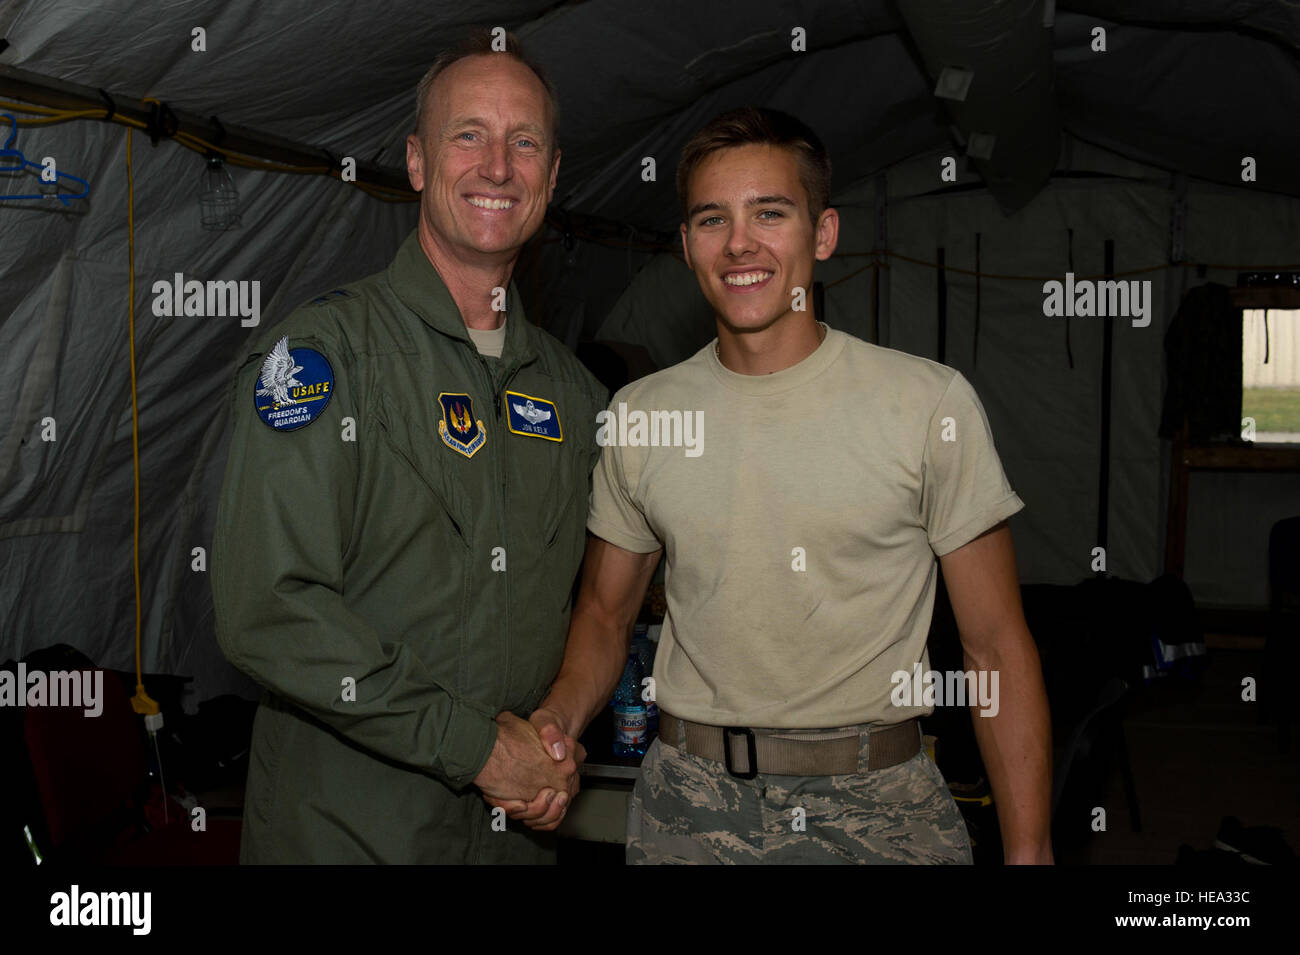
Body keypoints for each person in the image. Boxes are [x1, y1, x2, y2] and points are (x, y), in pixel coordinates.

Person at [502, 107, 1054, 864]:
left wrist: (1030, 850)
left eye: (770, 213)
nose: (740, 243)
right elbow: (604, 613)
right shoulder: (641, 415)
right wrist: (558, 719)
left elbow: (994, 649)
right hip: (688, 807)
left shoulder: (927, 406)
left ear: (823, 234)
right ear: (687, 246)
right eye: (712, 219)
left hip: (878, 811)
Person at [212, 29, 606, 864]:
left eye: (524, 142)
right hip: (350, 840)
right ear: (418, 162)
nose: (497, 167)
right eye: (469, 135)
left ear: (552, 175)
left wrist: (550, 738)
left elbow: (597, 604)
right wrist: (477, 747)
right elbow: (268, 610)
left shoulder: (573, 394)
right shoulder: (321, 358)